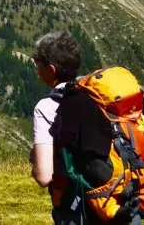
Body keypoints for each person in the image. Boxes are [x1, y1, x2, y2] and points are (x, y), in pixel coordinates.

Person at [30, 30, 85, 223]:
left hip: (77, 208)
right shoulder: (96, 93)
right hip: (115, 199)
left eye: (38, 60)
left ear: (51, 69)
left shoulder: (46, 107)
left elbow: (44, 176)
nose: (35, 64)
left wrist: (35, 163)